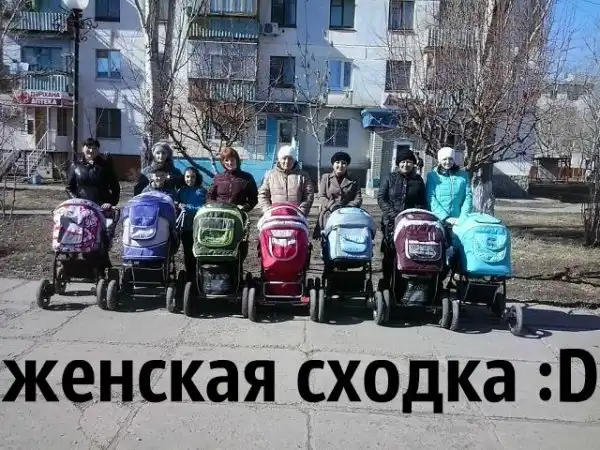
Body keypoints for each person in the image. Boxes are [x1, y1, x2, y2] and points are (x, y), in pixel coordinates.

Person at [65, 137, 121, 267]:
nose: (91, 150)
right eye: (88, 147)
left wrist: (110, 203)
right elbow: (69, 188)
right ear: (83, 148)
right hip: (80, 208)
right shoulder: (75, 166)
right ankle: (72, 261)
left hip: (101, 208)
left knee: (101, 237)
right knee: (75, 233)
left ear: (98, 150)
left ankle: (103, 264)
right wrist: (76, 200)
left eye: (94, 148)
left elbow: (115, 188)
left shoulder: (105, 166)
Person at [377, 147, 426, 285]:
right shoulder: (390, 178)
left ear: (413, 164)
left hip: (411, 224)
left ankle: (401, 284)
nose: (406, 164)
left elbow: (422, 201)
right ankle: (386, 282)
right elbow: (381, 198)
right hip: (391, 223)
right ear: (398, 163)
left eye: (409, 162)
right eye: (403, 161)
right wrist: (394, 215)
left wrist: (415, 214)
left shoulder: (418, 180)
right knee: (390, 254)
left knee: (406, 253)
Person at [425, 146, 473, 278]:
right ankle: (438, 281)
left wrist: (462, 218)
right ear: (439, 160)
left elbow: (468, 197)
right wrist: (445, 217)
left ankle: (457, 279)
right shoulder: (433, 176)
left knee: (459, 251)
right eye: (444, 159)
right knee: (440, 251)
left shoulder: (463, 176)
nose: (448, 162)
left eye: (450, 159)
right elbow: (431, 198)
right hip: (439, 220)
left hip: (459, 221)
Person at [313, 151, 362, 239]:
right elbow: (321, 196)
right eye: (337, 162)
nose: (340, 165)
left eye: (344, 163)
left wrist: (349, 207)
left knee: (345, 240)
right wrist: (333, 206)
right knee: (329, 240)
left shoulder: (354, 179)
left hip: (348, 214)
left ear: (347, 165)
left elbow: (358, 198)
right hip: (329, 213)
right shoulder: (326, 178)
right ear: (333, 165)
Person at [258, 145, 314, 217]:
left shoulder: (303, 176)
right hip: (274, 216)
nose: (287, 161)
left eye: (290, 158)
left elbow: (309, 195)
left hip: (296, 216)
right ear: (279, 159)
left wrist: (302, 210)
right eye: (284, 158)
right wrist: (267, 210)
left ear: (294, 160)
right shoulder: (270, 175)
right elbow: (263, 194)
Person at [176, 167, 207, 281]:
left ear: (197, 178)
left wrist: (186, 207)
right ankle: (190, 277)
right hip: (185, 228)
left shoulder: (201, 191)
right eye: (187, 177)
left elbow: (201, 208)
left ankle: (200, 276)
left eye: (193, 177)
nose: (190, 179)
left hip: (198, 228)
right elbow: (177, 206)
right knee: (188, 253)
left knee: (198, 253)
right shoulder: (181, 191)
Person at [206, 147, 258, 213]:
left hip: (237, 214)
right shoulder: (218, 178)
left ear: (237, 160)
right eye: (226, 160)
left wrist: (245, 207)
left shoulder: (247, 177)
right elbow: (209, 196)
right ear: (223, 162)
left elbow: (253, 198)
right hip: (219, 214)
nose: (230, 163)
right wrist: (215, 206)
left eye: (232, 160)